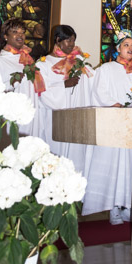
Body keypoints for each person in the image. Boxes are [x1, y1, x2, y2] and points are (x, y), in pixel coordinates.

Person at [82, 29, 132, 225]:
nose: (130, 49)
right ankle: (113, 207)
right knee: (114, 164)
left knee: (131, 164)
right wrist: (114, 104)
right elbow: (99, 90)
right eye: (126, 45)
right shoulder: (107, 69)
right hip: (114, 123)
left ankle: (128, 205)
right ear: (118, 48)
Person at [37, 25, 95, 173]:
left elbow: (94, 81)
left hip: (78, 119)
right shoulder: (43, 64)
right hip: (57, 120)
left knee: (77, 160)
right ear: (58, 40)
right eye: (69, 40)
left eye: (73, 41)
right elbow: (42, 93)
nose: (72, 44)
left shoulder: (78, 61)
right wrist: (64, 85)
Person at [0, 18, 45, 135]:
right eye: (15, 32)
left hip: (32, 115)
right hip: (10, 119)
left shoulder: (28, 60)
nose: (20, 35)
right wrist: (15, 82)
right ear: (5, 36)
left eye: (22, 32)